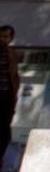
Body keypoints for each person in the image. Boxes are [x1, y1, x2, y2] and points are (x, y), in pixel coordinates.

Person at [0, 26, 19, 158]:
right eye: (1, 36)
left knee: (4, 131)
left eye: (6, 36)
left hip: (7, 96)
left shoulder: (11, 53)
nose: (2, 39)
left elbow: (14, 75)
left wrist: (15, 92)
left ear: (11, 38)